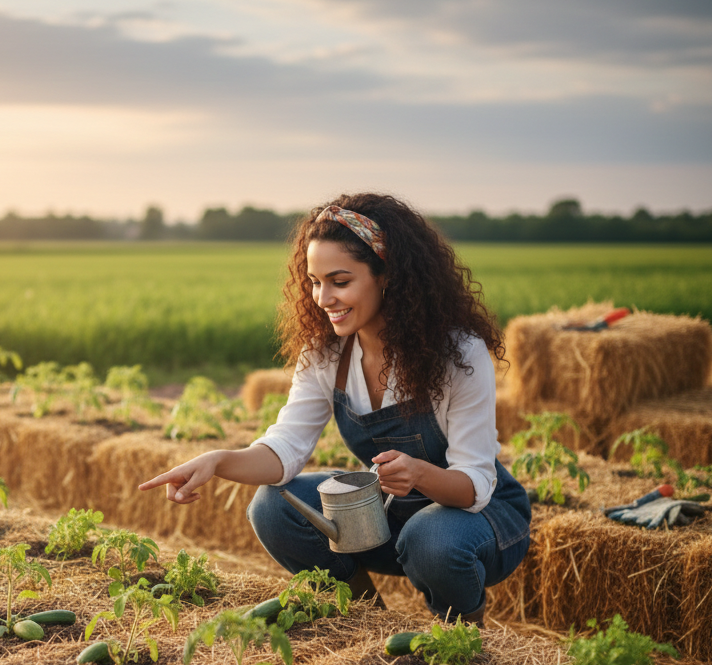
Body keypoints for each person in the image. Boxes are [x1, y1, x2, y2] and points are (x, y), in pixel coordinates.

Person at [139, 192, 531, 622]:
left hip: (477, 521)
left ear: (387, 276)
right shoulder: (325, 353)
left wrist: (419, 473)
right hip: (389, 517)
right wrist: (217, 461)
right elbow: (284, 450)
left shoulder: (457, 352)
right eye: (314, 281)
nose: (323, 298)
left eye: (339, 282)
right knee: (273, 506)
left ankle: (462, 634)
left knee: (430, 537)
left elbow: (475, 484)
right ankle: (363, 621)